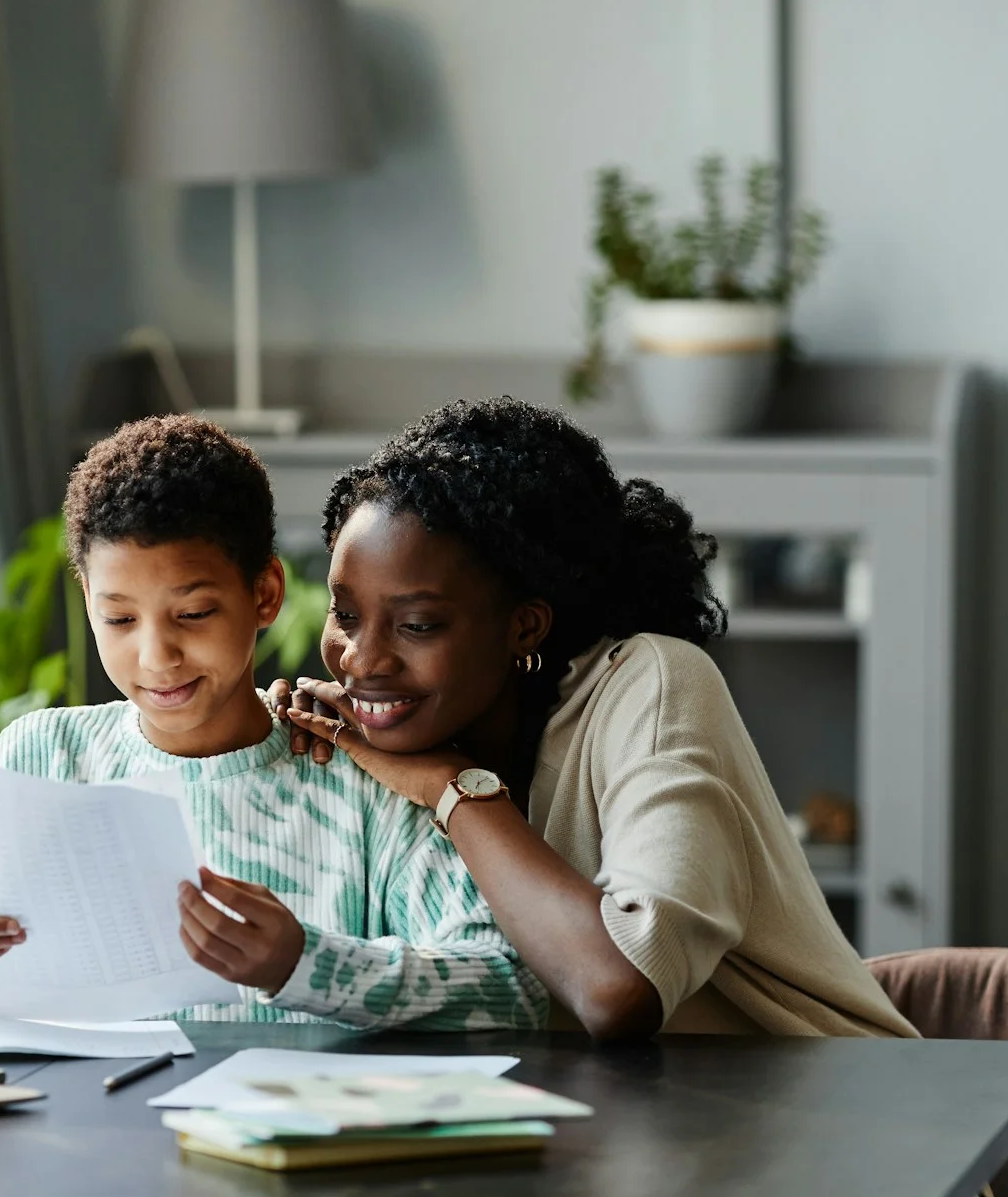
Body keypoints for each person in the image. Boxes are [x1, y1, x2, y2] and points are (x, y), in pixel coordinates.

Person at [0, 415, 546, 1033]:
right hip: (75, 1162)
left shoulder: (355, 774)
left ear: (265, 593)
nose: (157, 657)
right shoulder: (40, 758)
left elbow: (510, 991)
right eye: (118, 618)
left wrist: (304, 964)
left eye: (193, 614)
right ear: (87, 596)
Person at [275, 396, 918, 1045]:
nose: (359, 658)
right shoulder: (406, 736)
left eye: (416, 625)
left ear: (523, 624)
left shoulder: (653, 685)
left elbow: (618, 988)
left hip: (829, 1113)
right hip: (616, 1126)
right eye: (346, 615)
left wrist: (453, 788)